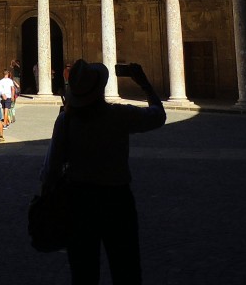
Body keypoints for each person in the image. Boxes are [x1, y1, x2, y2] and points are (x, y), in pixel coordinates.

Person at [40, 59, 165, 285]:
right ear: (100, 88)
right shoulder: (117, 115)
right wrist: (145, 84)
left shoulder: (66, 120)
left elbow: (50, 169)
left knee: (83, 272)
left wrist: (48, 200)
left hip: (78, 200)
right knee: (126, 269)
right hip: (117, 199)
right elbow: (158, 116)